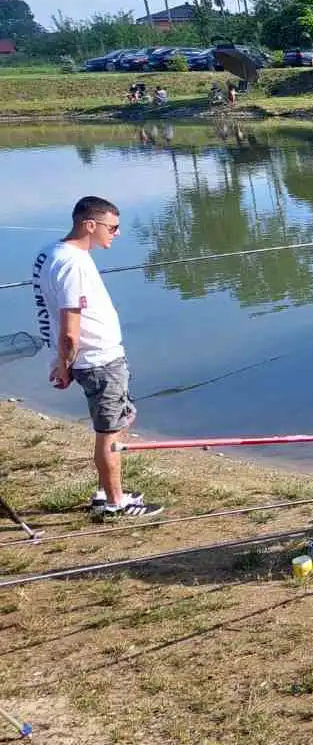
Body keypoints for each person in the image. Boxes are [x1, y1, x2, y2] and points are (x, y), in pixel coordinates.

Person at [30, 197, 162, 518]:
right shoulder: (73, 264)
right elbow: (69, 330)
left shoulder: (51, 253)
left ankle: (108, 489)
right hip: (100, 362)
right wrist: (64, 365)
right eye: (113, 228)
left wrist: (64, 361)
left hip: (95, 360)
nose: (116, 234)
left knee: (122, 419)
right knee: (109, 434)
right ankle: (116, 503)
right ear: (90, 225)